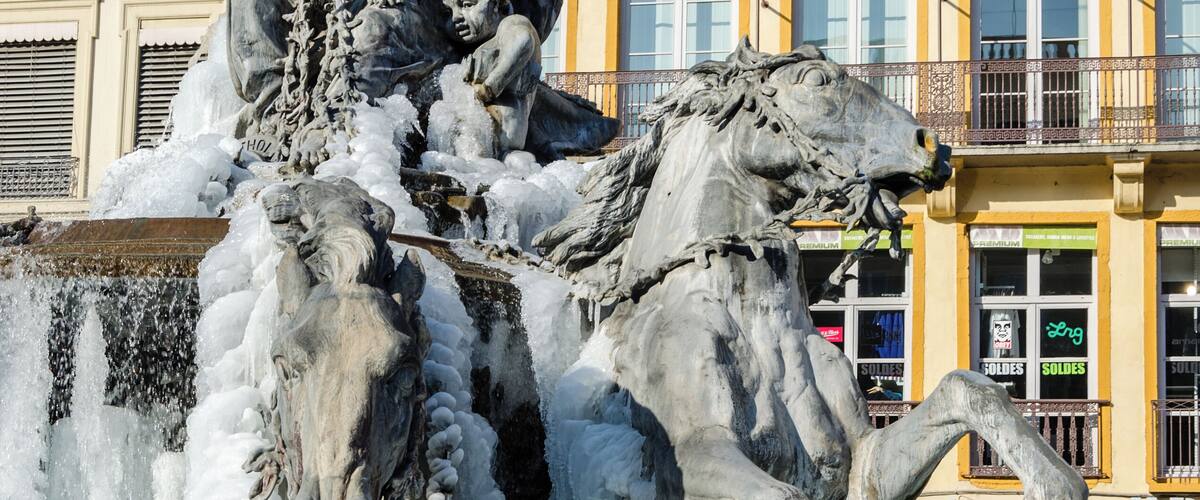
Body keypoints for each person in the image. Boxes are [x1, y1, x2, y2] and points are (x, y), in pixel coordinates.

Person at [443, 0, 541, 153]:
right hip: (488, 138)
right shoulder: (488, 43)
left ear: (496, 5)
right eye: (448, 12)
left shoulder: (511, 23)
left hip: (501, 134)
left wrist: (487, 90)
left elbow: (523, 41)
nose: (455, 17)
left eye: (467, 5)